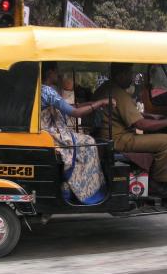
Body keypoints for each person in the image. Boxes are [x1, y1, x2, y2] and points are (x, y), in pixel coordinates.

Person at [93, 63, 167, 197]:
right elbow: (141, 125)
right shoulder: (119, 94)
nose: (131, 78)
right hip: (118, 140)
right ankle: (158, 184)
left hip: (106, 136)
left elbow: (124, 114)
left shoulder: (104, 89)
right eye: (130, 74)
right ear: (121, 75)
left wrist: (151, 116)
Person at [41, 62, 114, 204]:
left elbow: (71, 107)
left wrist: (97, 102)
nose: (59, 75)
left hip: (48, 132)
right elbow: (75, 113)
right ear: (50, 73)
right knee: (89, 142)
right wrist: (98, 104)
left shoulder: (42, 89)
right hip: (53, 134)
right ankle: (87, 191)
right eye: (57, 72)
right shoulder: (47, 91)